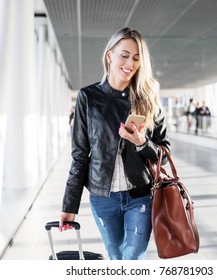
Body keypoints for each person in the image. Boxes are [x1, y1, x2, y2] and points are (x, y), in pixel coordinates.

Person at [59, 27, 171, 260]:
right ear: (110, 55)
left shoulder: (148, 99)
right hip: (103, 198)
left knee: (132, 259)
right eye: (125, 55)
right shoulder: (88, 98)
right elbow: (80, 155)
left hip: (140, 196)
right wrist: (70, 207)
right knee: (116, 257)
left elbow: (164, 153)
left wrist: (142, 143)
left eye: (137, 58)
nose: (130, 63)